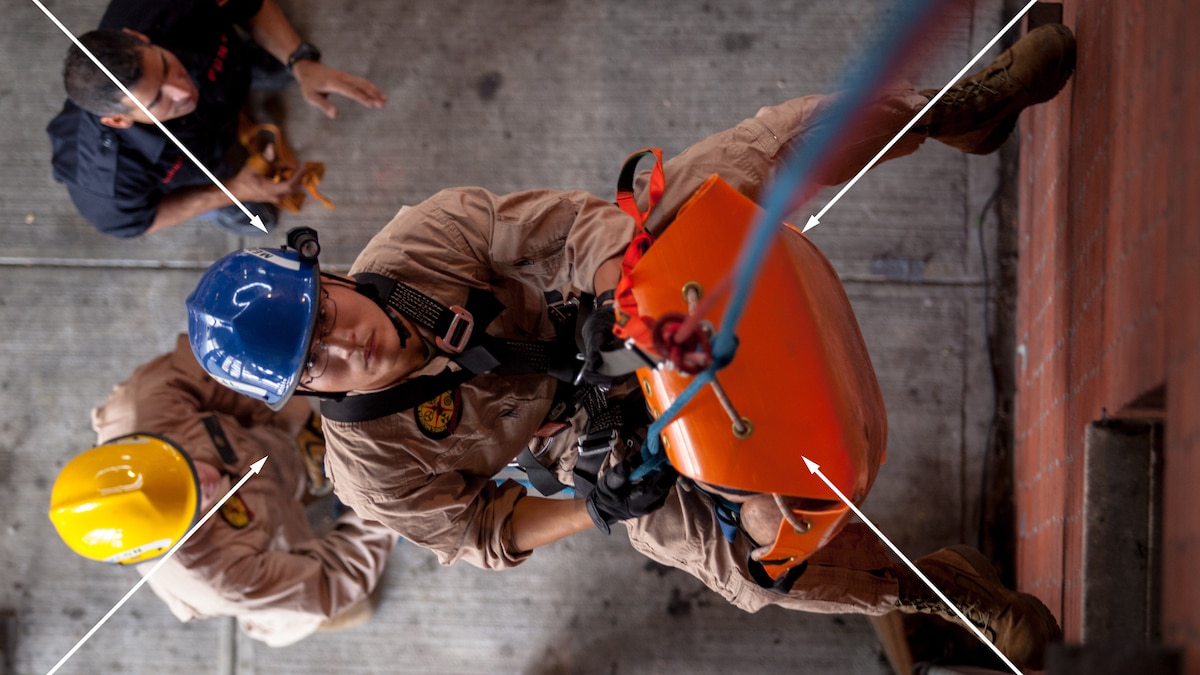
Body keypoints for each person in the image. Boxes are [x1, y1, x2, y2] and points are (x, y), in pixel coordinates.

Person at [184, 24, 1076, 669]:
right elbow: (487, 530)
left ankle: (957, 109)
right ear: (298, 390)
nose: (347, 342)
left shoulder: (419, 243)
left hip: (608, 294)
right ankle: (943, 589)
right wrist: (599, 506)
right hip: (584, 445)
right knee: (759, 569)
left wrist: (630, 304)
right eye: (315, 362)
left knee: (765, 150)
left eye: (324, 313)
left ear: (324, 274)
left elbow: (573, 225)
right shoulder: (371, 471)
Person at [47, 334, 400, 647]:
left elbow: (226, 374)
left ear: (142, 443)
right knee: (318, 608)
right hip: (264, 543)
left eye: (180, 467)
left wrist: (298, 422)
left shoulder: (148, 402)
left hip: (266, 458)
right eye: (193, 504)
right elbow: (332, 578)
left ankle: (302, 473)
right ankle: (308, 613)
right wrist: (383, 496)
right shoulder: (221, 576)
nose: (207, 481)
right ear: (171, 543)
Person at [46, 0, 387, 239]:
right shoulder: (101, 179)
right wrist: (233, 191)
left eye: (165, 65)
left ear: (139, 38)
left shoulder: (167, 6)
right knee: (254, 214)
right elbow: (137, 221)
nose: (183, 90)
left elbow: (251, 5)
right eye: (156, 101)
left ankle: (257, 64)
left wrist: (300, 61)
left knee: (269, 60)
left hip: (226, 74)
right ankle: (227, 205)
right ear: (119, 121)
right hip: (197, 171)